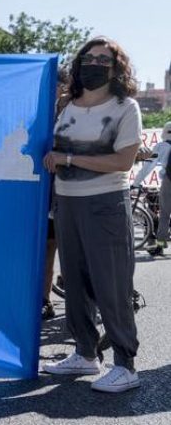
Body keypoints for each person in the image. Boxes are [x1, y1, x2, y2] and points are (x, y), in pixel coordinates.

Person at [41, 37, 142, 393]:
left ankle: (126, 366)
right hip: (67, 203)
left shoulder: (124, 107)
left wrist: (69, 159)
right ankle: (85, 353)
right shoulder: (64, 105)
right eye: (89, 57)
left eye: (104, 59)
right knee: (75, 282)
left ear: (116, 69)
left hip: (105, 204)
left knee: (111, 285)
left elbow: (123, 161)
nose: (95, 63)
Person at [41, 67, 72, 321]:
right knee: (48, 248)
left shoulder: (78, 111)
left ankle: (79, 305)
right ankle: (45, 300)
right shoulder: (42, 114)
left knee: (75, 252)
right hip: (48, 196)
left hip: (75, 194)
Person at [133, 122, 171, 255]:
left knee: (165, 214)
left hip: (169, 181)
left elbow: (148, 166)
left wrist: (136, 183)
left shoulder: (162, 146)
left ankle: (160, 245)